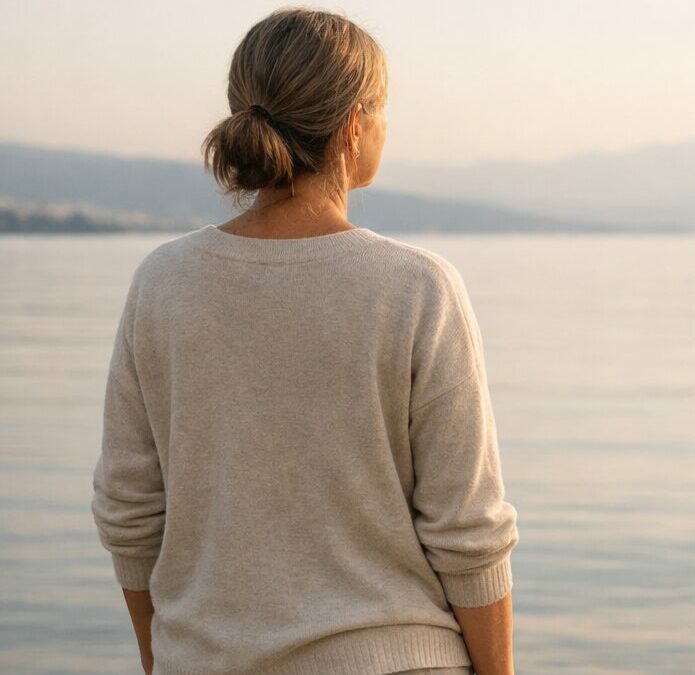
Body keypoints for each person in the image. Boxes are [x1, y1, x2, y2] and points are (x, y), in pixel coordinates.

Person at [90, 8, 519, 675]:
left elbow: (129, 509)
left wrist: (168, 656)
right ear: (353, 127)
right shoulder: (418, 288)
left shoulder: (162, 283)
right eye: (381, 110)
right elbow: (469, 531)